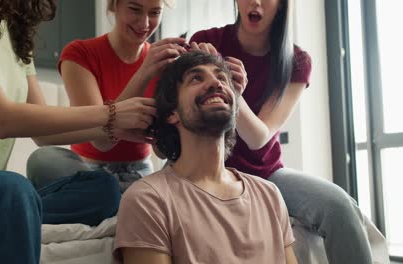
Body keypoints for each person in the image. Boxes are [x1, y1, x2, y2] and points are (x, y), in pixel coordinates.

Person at [0, 0, 156, 262]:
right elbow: (2, 119)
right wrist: (111, 113)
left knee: (103, 190)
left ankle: (13, 213)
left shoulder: (14, 28)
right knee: (7, 192)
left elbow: (45, 136)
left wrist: (112, 125)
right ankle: (11, 209)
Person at [189, 0, 373, 263]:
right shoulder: (206, 41)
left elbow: (258, 137)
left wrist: (228, 87)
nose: (256, 2)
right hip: (205, 167)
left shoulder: (296, 61)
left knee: (340, 206)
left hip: (266, 174)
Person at [113, 51, 298, 264]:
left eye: (221, 77)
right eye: (196, 78)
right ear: (172, 113)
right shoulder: (148, 199)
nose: (215, 83)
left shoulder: (269, 195)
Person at [27, 0, 187, 193]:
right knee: (44, 159)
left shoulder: (163, 63)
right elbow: (101, 141)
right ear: (114, 6)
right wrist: (144, 73)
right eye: (135, 10)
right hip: (87, 169)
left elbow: (161, 152)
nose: (144, 23)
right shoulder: (79, 53)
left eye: (154, 13)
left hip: (140, 171)